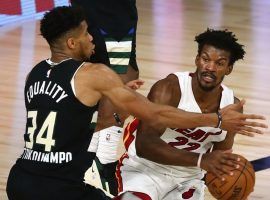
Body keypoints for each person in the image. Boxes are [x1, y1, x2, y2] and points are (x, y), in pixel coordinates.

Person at [6, 7, 266, 200]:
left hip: (20, 180)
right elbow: (155, 115)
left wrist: (112, 108)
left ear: (228, 68)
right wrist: (217, 120)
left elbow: (66, 122)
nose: (93, 39)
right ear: (73, 43)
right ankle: (108, 171)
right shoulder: (94, 74)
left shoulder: (35, 73)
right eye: (87, 34)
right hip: (60, 187)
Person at [114, 29, 266, 200]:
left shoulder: (233, 107)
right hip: (145, 170)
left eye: (220, 63)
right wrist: (201, 160)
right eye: (205, 59)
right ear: (197, 59)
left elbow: (220, 158)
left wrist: (232, 184)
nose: (210, 67)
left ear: (228, 69)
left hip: (188, 180)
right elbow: (145, 145)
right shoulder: (170, 89)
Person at [70, 0, 139, 195]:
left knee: (91, 72)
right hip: (111, 13)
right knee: (119, 76)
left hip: (91, 10)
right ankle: (103, 162)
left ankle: (89, 159)